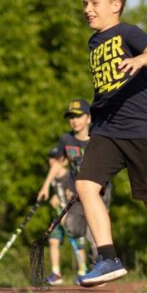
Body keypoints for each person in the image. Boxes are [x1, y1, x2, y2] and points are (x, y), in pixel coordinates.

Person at [75, 0, 147, 288]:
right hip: (107, 131)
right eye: (85, 4)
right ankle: (108, 258)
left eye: (94, 3)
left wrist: (139, 60)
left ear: (115, 5)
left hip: (142, 130)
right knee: (85, 187)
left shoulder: (127, 32)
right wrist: (95, 114)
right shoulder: (93, 42)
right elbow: (105, 89)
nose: (87, 9)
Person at [37, 97, 110, 282]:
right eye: (71, 117)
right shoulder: (66, 139)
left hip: (99, 190)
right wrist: (46, 186)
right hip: (75, 192)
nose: (74, 120)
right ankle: (93, 263)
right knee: (72, 226)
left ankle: (99, 267)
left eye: (78, 116)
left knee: (95, 232)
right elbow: (58, 163)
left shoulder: (98, 137)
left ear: (89, 118)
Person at [41, 146, 88, 284]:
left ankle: (82, 272)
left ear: (64, 161)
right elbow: (57, 194)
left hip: (72, 214)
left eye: (56, 158)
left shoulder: (70, 175)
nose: (52, 161)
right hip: (58, 214)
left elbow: (76, 195)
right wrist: (54, 198)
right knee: (53, 240)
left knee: (79, 244)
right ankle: (56, 273)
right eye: (51, 158)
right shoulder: (52, 178)